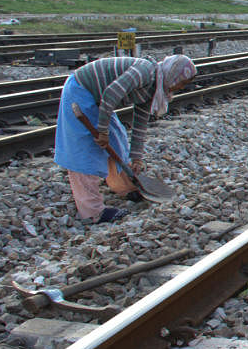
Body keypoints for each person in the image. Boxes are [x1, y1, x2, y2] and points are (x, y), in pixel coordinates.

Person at [54, 54, 197, 223]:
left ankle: (123, 187)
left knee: (118, 140)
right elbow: (111, 93)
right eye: (182, 82)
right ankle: (92, 212)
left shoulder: (155, 88)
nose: (181, 87)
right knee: (85, 151)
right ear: (173, 74)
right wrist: (102, 131)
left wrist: (137, 158)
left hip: (99, 98)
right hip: (81, 90)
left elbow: (140, 124)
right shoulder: (145, 72)